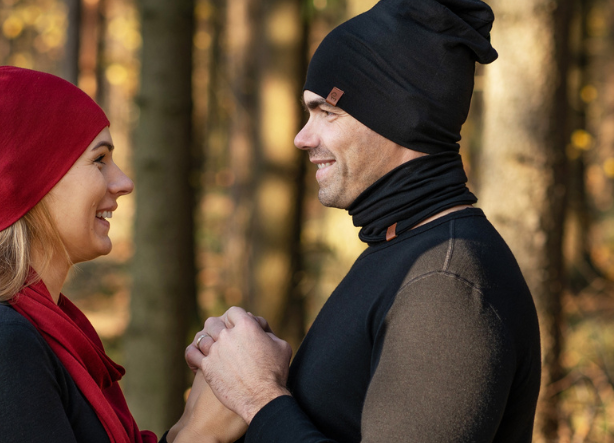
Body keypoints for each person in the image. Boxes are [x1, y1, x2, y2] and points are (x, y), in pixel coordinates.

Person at [186, 0, 542, 442]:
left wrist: (256, 397)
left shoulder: (448, 285)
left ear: (397, 116)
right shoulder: (400, 252)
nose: (302, 137)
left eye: (327, 112)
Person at [0, 66, 247, 443]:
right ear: (29, 180)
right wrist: (199, 436)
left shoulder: (37, 325)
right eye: (99, 159)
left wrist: (195, 417)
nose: (124, 182)